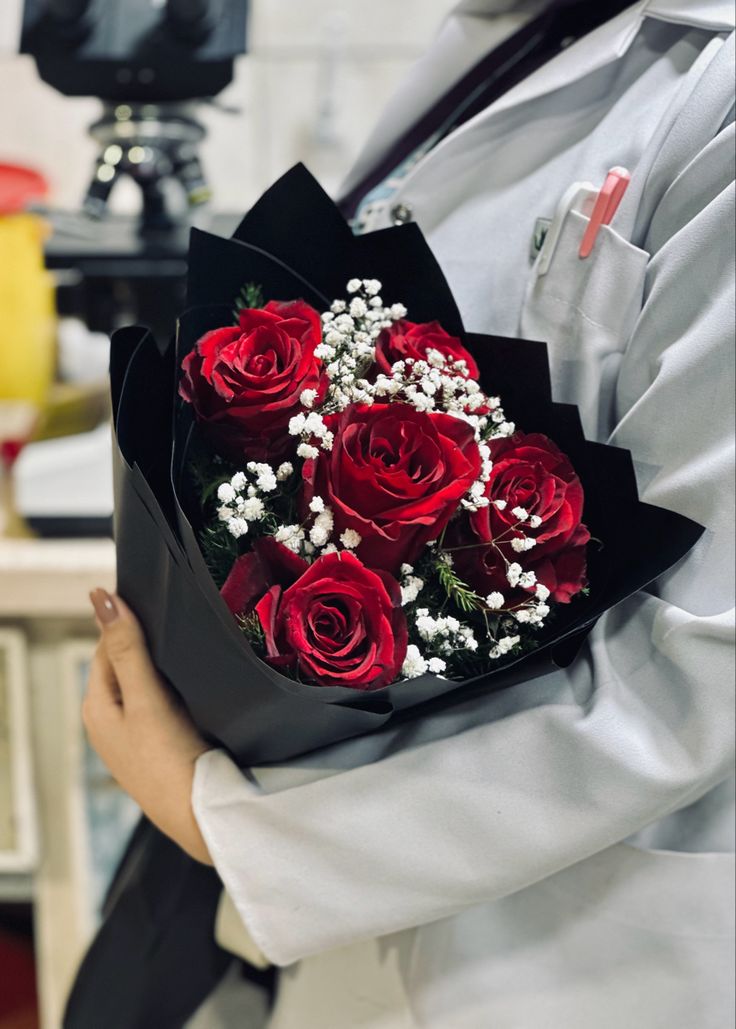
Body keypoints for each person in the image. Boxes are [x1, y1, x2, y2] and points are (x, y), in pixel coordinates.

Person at [83, 1, 735, 1026]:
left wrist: (236, 828)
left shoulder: (715, 93)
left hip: (582, 961)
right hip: (377, 924)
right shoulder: (502, 36)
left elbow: (699, 669)